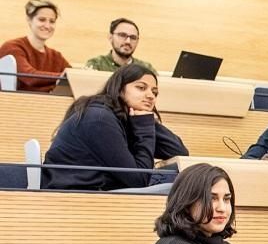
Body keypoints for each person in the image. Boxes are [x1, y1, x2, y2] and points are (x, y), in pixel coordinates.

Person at [43, 64, 189, 190]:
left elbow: (178, 151)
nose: (150, 95)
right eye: (141, 88)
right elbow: (139, 180)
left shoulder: (122, 118)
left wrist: (145, 120)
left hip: (95, 187)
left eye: (154, 92)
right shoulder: (99, 119)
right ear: (119, 89)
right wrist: (144, 126)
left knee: (179, 181)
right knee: (176, 190)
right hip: (74, 193)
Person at [0, 0, 69, 93]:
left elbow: (73, 77)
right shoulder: (12, 47)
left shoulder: (57, 56)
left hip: (48, 105)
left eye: (52, 21)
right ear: (29, 20)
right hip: (13, 105)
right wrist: (64, 77)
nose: (47, 26)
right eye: (42, 20)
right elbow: (30, 77)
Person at [83, 18, 154, 72]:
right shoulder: (97, 64)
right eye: (122, 35)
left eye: (133, 37)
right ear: (110, 37)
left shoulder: (146, 69)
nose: (128, 41)